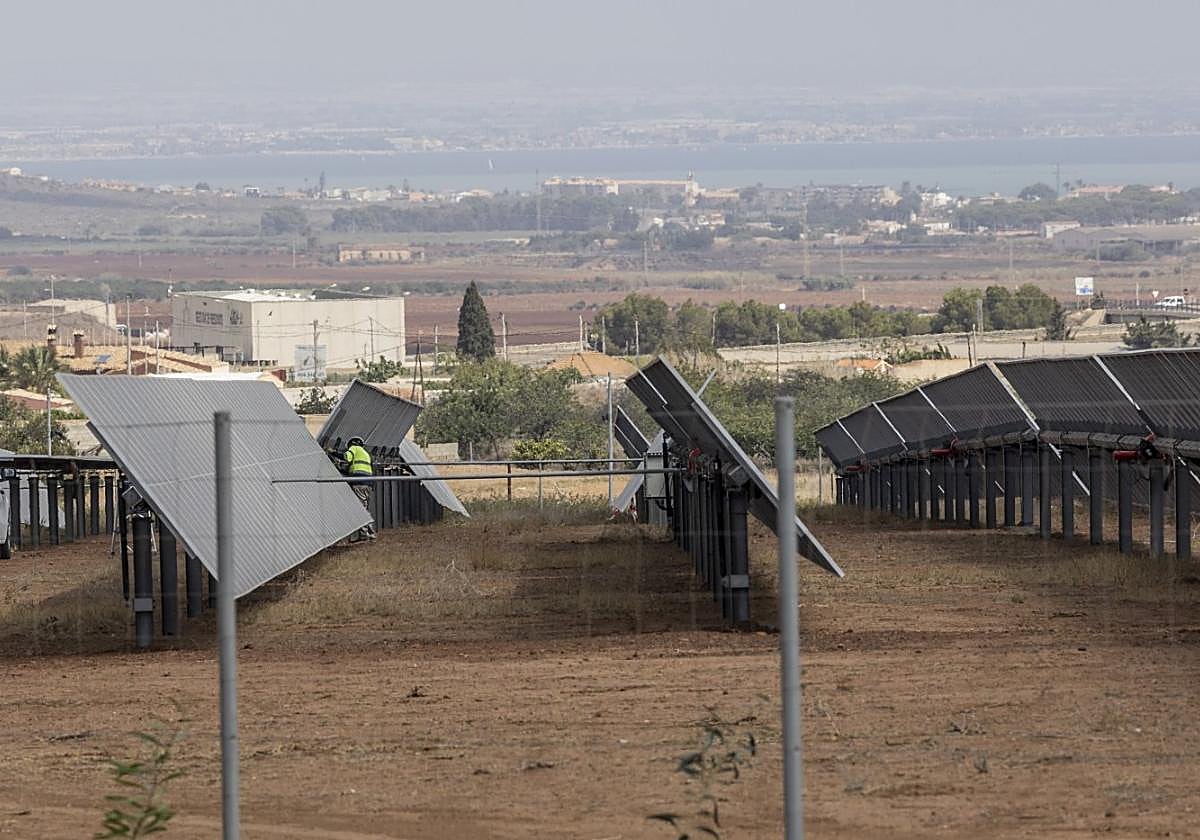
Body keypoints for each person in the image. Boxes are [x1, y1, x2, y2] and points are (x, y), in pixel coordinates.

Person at [343, 436, 377, 540]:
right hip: (368, 484)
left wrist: (333, 453)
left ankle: (364, 535)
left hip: (359, 483)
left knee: (361, 509)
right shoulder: (366, 454)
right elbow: (356, 468)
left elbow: (347, 457)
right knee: (365, 508)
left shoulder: (354, 448)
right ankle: (370, 532)